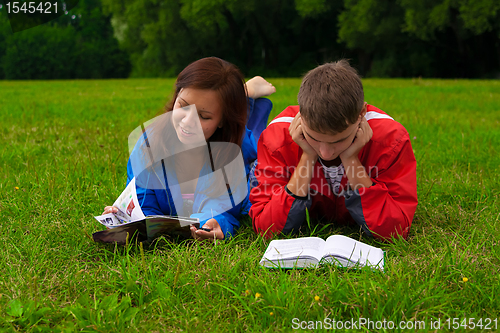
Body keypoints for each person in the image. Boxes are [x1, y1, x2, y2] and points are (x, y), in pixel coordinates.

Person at [103, 57, 275, 241]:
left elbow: (227, 210)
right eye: (183, 106)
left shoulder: (235, 153)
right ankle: (243, 93)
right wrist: (129, 217)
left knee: (256, 137)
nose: (187, 121)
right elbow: (143, 201)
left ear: (222, 121)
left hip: (240, 142)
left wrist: (217, 223)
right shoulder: (149, 146)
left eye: (203, 116)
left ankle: (245, 97)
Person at [249, 59, 418, 241]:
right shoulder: (277, 138)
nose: (325, 153)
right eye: (314, 138)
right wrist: (307, 156)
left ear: (361, 114)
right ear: (301, 116)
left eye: (339, 140)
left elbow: (395, 230)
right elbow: (267, 229)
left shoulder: (391, 139)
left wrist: (351, 159)